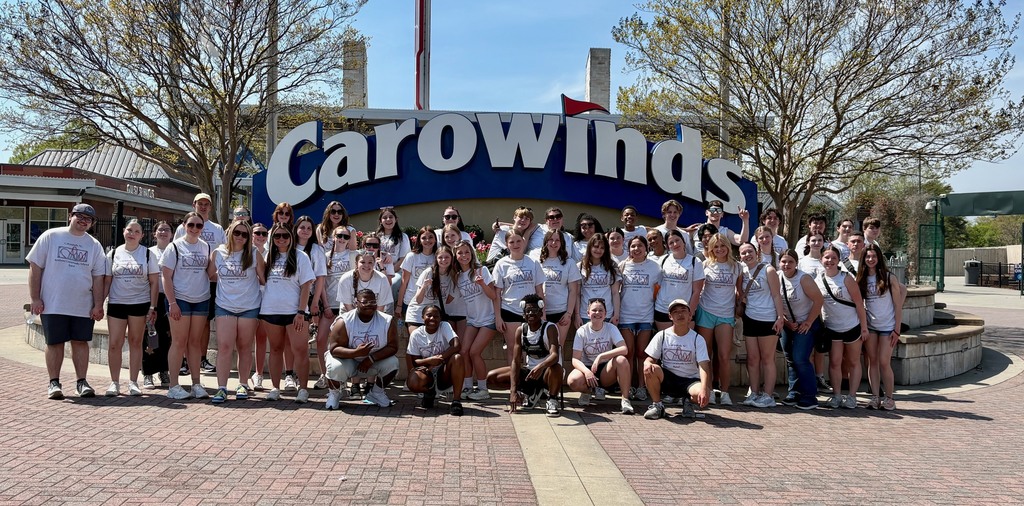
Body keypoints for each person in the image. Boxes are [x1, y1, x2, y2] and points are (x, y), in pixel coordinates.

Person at [28, 203, 106, 399]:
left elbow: (98, 277)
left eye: (88, 219)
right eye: (79, 216)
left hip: (82, 305)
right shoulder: (51, 236)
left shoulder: (94, 245)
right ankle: (54, 383)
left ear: (92, 223)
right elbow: (35, 267)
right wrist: (35, 298)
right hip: (53, 303)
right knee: (55, 343)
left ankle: (82, 382)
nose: (83, 220)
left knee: (81, 342)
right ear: (70, 216)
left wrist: (98, 304)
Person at [207, 220, 265, 403]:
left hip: (249, 306)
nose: (240, 237)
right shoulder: (218, 252)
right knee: (224, 346)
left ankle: (242, 384)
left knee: (244, 347)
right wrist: (227, 281)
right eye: (237, 233)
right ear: (230, 232)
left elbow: (263, 279)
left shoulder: (254, 254)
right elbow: (210, 275)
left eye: (245, 234)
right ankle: (222, 388)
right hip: (225, 305)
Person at [103, 219, 160, 397]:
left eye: (136, 231)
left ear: (142, 235)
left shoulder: (148, 255)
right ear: (123, 232)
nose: (132, 233)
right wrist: (98, 303)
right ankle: (114, 382)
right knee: (114, 344)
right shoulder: (113, 254)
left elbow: (154, 283)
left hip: (139, 304)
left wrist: (152, 307)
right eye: (129, 230)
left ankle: (133, 382)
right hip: (117, 304)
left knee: (136, 343)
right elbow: (107, 281)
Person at [259, 224, 315, 402]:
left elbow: (307, 285)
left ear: (291, 237)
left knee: (300, 350)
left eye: (285, 236)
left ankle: (303, 389)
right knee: (275, 349)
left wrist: (301, 311)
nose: (281, 239)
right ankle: (275, 388)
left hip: (295, 312)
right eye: (277, 236)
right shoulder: (268, 257)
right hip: (270, 310)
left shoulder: (301, 256)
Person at [160, 211, 213, 400]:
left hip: (201, 298)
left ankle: (196, 384)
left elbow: (210, 273)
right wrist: (172, 302)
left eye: (199, 226)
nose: (195, 229)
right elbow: (165, 276)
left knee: (195, 342)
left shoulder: (206, 247)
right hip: (180, 299)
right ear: (184, 226)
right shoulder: (174, 247)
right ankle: (173, 385)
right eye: (191, 225)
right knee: (179, 342)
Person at [174, 193, 226, 374]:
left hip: (209, 282)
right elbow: (175, 254)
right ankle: (182, 361)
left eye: (207, 204)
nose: (203, 207)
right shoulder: (183, 227)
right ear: (194, 204)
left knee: (204, 322)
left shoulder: (218, 228)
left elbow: (225, 252)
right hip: (186, 282)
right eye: (200, 204)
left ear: (211, 207)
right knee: (184, 324)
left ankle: (202, 359)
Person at [487, 294, 563, 416]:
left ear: (540, 312)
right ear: (523, 313)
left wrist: (541, 367)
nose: (531, 314)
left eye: (534, 310)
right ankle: (531, 393)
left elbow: (555, 355)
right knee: (492, 377)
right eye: (528, 311)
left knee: (556, 368)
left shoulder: (550, 328)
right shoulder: (521, 330)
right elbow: (516, 361)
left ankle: (552, 399)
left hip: (546, 372)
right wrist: (513, 391)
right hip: (530, 373)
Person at [323, 289, 400, 409]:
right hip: (348, 360)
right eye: (365, 302)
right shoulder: (344, 321)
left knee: (393, 363)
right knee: (334, 367)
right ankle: (335, 393)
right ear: (356, 303)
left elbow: (393, 347)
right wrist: (356, 352)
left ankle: (376, 393)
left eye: (373, 302)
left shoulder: (387, 321)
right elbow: (334, 349)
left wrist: (371, 358)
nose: (370, 305)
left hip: (372, 362)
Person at [817, 244, 869, 409]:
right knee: (834, 362)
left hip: (851, 326)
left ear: (839, 260)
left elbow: (859, 304)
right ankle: (837, 395)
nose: (830, 261)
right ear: (821, 259)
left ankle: (852, 396)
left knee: (853, 362)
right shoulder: (818, 279)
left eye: (833, 258)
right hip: (832, 327)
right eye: (827, 257)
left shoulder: (846, 278)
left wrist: (864, 327)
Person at [642, 299, 712, 419]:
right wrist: (647, 364)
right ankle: (657, 406)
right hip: (668, 378)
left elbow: (704, 366)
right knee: (651, 368)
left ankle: (688, 402)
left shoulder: (697, 338)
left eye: (683, 311)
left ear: (690, 315)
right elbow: (649, 359)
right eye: (675, 312)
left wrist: (705, 389)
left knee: (704, 393)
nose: (680, 314)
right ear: (670, 316)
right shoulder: (662, 335)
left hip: (690, 380)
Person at [737, 243, 786, 408]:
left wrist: (780, 317)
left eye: (750, 251)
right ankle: (755, 392)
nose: (747, 255)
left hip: (768, 318)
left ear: (756, 252)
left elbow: (776, 295)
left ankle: (768, 395)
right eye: (743, 253)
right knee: (752, 359)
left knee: (767, 358)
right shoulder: (742, 272)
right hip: (750, 318)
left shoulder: (768, 270)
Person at [857, 244, 905, 410]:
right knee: (873, 362)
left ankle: (889, 398)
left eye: (874, 256)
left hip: (887, 326)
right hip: (871, 326)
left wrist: (897, 329)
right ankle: (875, 396)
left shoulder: (889, 277)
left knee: (884, 361)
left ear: (879, 258)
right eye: (867, 257)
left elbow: (898, 306)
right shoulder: (861, 278)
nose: (871, 260)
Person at [695, 233, 741, 405]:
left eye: (723, 246)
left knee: (723, 355)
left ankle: (725, 392)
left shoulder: (736, 266)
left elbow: (739, 291)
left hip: (726, 314)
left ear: (728, 247)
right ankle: (706, 390)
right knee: (705, 355)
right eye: (716, 246)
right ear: (710, 248)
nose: (719, 249)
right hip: (706, 312)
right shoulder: (705, 264)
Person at [568, 298, 633, 414]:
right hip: (587, 368)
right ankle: (587, 392)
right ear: (588, 313)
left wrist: (601, 356)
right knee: (572, 380)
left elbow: (624, 349)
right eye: (594, 310)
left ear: (605, 314)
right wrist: (587, 372)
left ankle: (625, 400)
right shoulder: (581, 331)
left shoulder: (611, 328)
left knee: (622, 360)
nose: (597, 313)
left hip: (605, 370)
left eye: (600, 310)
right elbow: (575, 359)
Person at [777, 249, 824, 410]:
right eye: (783, 261)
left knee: (801, 358)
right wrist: (786, 322)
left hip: (805, 323)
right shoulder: (777, 277)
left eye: (790, 261)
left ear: (796, 263)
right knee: (790, 358)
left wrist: (809, 322)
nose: (786, 265)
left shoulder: (803, 278)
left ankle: (809, 396)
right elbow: (774, 303)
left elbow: (818, 300)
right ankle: (794, 392)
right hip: (788, 324)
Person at [617, 235, 662, 401]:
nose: (636, 249)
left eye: (640, 246)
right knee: (628, 353)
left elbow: (659, 290)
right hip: (626, 315)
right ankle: (627, 388)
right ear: (629, 249)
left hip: (645, 315)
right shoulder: (622, 266)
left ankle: (642, 387)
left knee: (642, 354)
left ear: (646, 249)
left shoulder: (655, 268)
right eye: (633, 246)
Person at [453, 240, 498, 400]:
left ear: (471, 253)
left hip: (488, 319)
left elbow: (493, 296)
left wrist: (482, 284)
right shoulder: (457, 276)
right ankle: (467, 387)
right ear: (455, 256)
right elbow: (452, 297)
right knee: (463, 351)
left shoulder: (482, 270)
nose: (464, 256)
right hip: (472, 320)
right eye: (460, 253)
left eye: (466, 252)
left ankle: (482, 389)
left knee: (474, 352)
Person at [313, 224, 356, 389]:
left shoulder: (353, 256)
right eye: (339, 236)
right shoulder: (325, 256)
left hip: (348, 306)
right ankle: (325, 375)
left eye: (346, 236)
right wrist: (325, 305)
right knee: (321, 339)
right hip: (330, 304)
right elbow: (321, 283)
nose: (342, 239)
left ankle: (347, 378)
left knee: (346, 342)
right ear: (333, 237)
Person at [492, 232, 545, 363]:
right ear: (506, 245)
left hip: (531, 312)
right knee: (513, 349)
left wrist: (542, 313)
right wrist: (498, 317)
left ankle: (529, 380)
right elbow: (497, 294)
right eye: (511, 242)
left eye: (518, 241)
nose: (515, 245)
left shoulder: (533, 262)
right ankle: (514, 381)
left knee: (531, 349)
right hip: (509, 311)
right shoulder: (501, 264)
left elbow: (539, 290)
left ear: (523, 241)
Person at [405, 305, 466, 415]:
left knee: (457, 358)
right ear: (422, 317)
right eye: (429, 315)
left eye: (436, 316)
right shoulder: (416, 334)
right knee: (413, 381)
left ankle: (456, 401)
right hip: (427, 371)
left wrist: (440, 358)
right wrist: (430, 361)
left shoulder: (445, 326)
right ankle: (429, 392)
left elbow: (457, 346)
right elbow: (415, 362)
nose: (432, 318)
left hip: (444, 372)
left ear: (440, 318)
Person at [293, 215, 327, 392]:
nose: (305, 230)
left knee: (315, 341)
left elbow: (320, 278)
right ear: (296, 229)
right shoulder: (289, 247)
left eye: (308, 228)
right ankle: (292, 376)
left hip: (311, 299)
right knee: (295, 342)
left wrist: (315, 302)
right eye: (302, 227)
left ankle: (323, 375)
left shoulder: (316, 250)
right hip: (291, 299)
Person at [142, 222, 174, 389]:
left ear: (172, 234)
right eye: (160, 230)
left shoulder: (175, 250)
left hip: (170, 299)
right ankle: (148, 372)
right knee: (149, 336)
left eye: (167, 230)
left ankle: (164, 370)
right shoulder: (148, 253)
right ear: (154, 234)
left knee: (167, 336)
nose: (163, 232)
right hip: (151, 298)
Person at [654, 230, 705, 332]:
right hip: (663, 309)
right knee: (666, 344)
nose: (675, 244)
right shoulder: (662, 261)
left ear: (683, 241)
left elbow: (696, 291)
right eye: (671, 243)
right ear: (667, 246)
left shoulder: (695, 262)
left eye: (677, 240)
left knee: (685, 344)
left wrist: (690, 312)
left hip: (685, 310)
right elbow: (656, 286)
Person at [538, 229, 581, 348]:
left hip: (561, 312)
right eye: (551, 239)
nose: (554, 243)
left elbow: (573, 290)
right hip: (542, 312)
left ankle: (559, 368)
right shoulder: (538, 262)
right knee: (544, 347)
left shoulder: (569, 263)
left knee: (558, 347)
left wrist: (569, 313)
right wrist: (541, 314)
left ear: (562, 243)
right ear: (546, 242)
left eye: (557, 240)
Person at [576, 233, 621, 328]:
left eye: (602, 248)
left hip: (606, 315)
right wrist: (577, 315)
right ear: (590, 247)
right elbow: (577, 294)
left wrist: (616, 314)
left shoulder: (612, 266)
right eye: (596, 246)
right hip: (586, 315)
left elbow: (615, 293)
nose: (598, 250)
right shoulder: (580, 266)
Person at [396, 226, 436, 325]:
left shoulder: (438, 257)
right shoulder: (411, 256)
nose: (427, 240)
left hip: (431, 302)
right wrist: (399, 305)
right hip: (411, 301)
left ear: (435, 239)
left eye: (430, 237)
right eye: (424, 238)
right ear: (419, 240)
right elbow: (404, 283)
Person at [249, 222, 271, 391]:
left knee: (261, 337)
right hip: (246, 299)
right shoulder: (244, 252)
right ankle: (244, 376)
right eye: (257, 233)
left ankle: (259, 374)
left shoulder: (271, 254)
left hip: (266, 298)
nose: (261, 236)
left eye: (264, 233)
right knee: (245, 339)